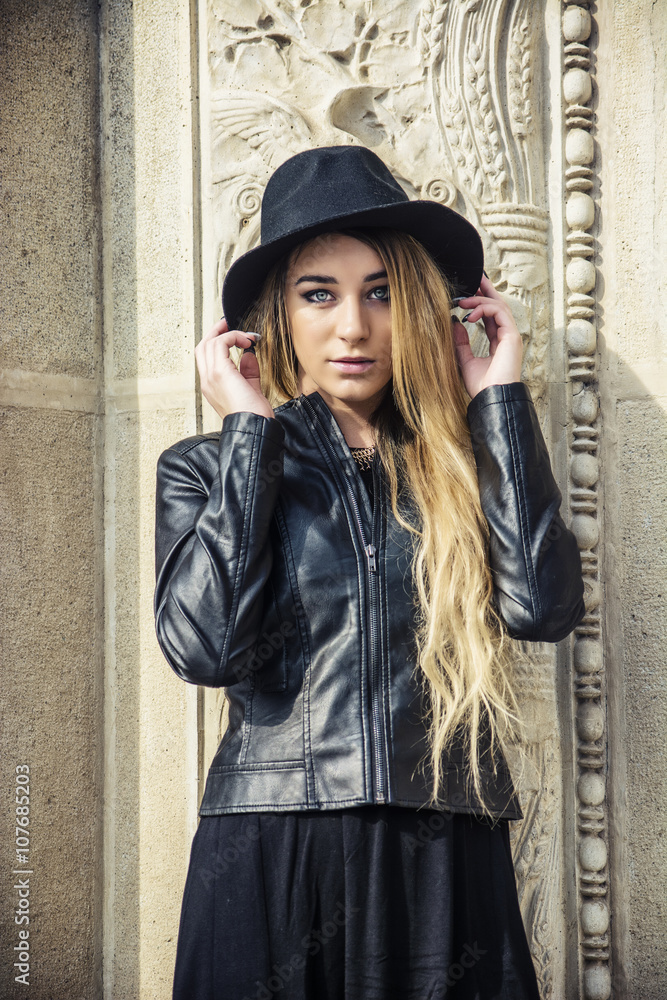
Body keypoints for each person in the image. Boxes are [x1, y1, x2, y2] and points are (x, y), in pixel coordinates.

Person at [154, 145, 585, 1000]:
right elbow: (204, 651)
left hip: (444, 849)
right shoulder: (204, 467)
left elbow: (540, 608)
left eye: (381, 293)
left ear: (420, 306)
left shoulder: (467, 463)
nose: (352, 327)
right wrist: (249, 437)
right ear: (275, 317)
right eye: (318, 294)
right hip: (273, 851)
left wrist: (499, 402)